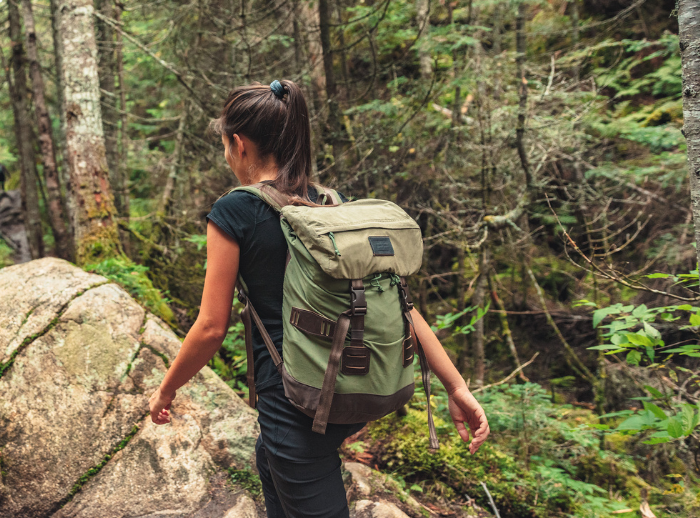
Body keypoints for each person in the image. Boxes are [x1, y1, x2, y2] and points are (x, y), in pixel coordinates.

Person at [147, 80, 489, 518]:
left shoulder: (235, 211)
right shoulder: (332, 205)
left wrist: (165, 390)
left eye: (225, 145)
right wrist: (456, 386)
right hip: (347, 389)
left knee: (290, 464)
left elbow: (212, 327)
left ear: (239, 143)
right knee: (270, 464)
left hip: (294, 404)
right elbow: (402, 305)